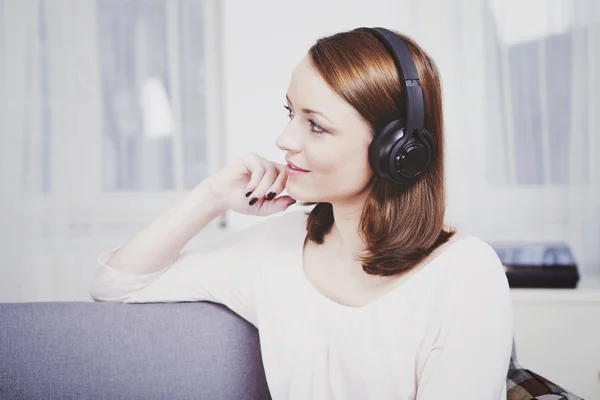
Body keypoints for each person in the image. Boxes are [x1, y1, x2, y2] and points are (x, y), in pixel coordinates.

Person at [90, 27, 513, 399]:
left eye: (316, 125)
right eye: (291, 113)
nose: (284, 139)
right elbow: (116, 283)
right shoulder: (279, 248)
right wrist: (211, 196)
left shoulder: (465, 274)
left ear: (398, 151)